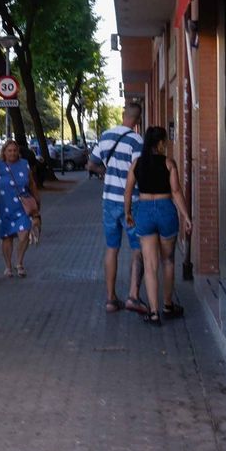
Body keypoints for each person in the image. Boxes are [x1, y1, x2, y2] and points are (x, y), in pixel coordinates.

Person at [123, 126, 192, 324]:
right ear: (160, 143)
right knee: (168, 260)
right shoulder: (169, 163)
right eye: (165, 141)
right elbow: (177, 192)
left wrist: (128, 212)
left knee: (150, 265)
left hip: (143, 211)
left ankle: (153, 313)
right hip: (165, 210)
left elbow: (128, 191)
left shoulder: (137, 164)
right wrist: (186, 215)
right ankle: (168, 305)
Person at [89, 101, 146, 314]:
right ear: (138, 120)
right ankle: (133, 295)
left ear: (123, 115)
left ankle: (111, 299)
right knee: (137, 248)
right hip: (132, 202)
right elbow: (136, 171)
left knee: (112, 248)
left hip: (109, 201)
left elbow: (91, 164)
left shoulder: (105, 136)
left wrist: (106, 173)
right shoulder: (136, 140)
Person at [0, 138, 40, 277]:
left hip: (22, 207)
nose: (12, 153)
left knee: (24, 234)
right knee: (7, 237)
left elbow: (32, 184)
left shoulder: (24, 164)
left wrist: (37, 203)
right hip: (5, 208)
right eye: (9, 151)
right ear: (4, 152)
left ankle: (19, 263)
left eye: (15, 150)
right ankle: (8, 266)